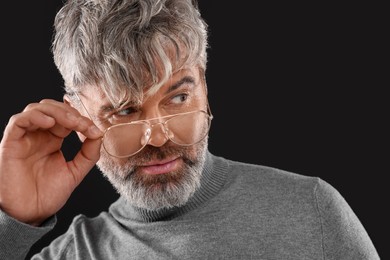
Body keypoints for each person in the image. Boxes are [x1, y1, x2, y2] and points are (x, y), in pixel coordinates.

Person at [0, 0, 380, 259]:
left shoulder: (312, 212)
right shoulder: (74, 254)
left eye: (178, 98)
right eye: (125, 110)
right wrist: (13, 225)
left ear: (204, 85)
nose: (161, 137)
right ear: (76, 120)